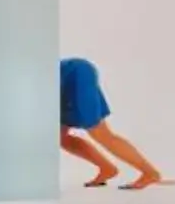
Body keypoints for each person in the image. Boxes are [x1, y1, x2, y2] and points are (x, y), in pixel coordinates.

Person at [57, 56, 165, 189]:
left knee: (100, 133)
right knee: (59, 137)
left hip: (75, 74)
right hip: (66, 78)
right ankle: (107, 169)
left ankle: (150, 173)